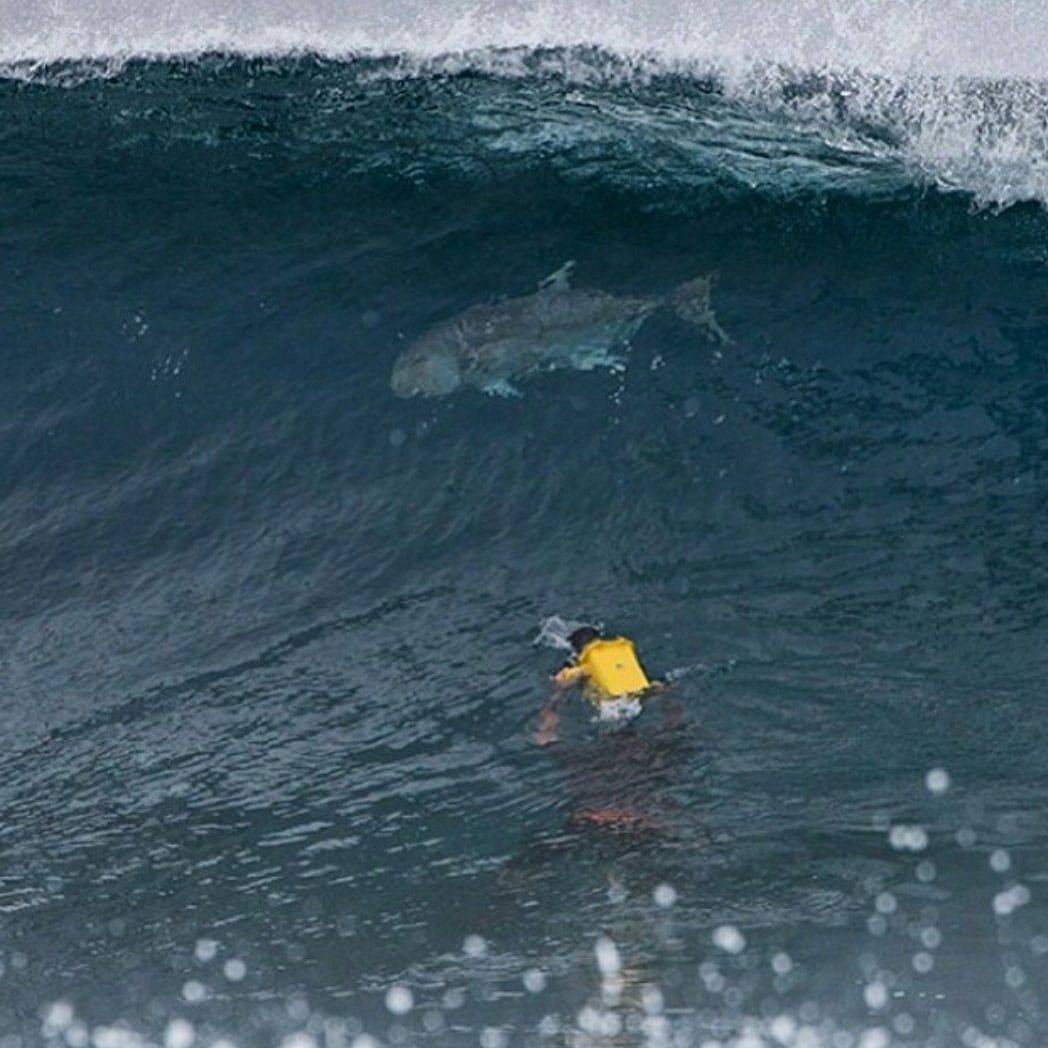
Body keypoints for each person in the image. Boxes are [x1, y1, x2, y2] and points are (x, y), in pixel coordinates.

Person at [536, 625, 665, 746]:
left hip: (611, 709)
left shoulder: (583, 668)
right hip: (637, 696)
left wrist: (547, 727)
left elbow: (560, 687)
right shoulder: (619, 657)